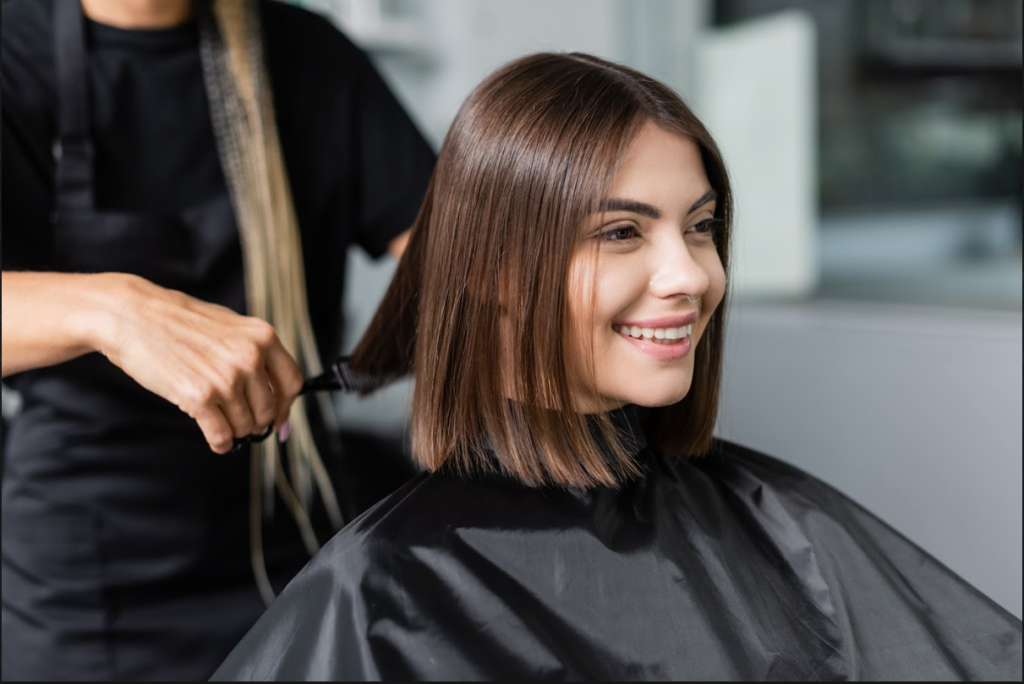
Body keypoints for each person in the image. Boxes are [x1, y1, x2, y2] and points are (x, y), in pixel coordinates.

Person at [211, 52, 1022, 681]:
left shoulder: (787, 530)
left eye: (700, 227)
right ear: (494, 271)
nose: (690, 276)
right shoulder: (380, 593)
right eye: (622, 233)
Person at [1, 0, 434, 680]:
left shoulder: (308, 58)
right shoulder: (14, 54)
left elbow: (458, 264)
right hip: (88, 589)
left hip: (299, 560)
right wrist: (113, 308)